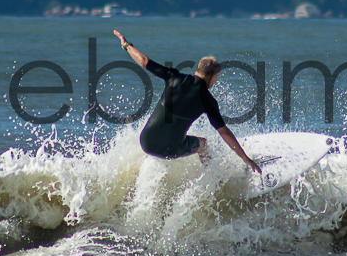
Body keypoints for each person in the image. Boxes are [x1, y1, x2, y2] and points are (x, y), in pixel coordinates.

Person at [112, 29, 262, 175]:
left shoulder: (174, 77)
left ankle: (145, 167)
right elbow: (224, 132)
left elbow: (144, 61)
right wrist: (245, 158)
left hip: (146, 142)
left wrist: (126, 45)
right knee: (203, 144)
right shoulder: (208, 100)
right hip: (171, 150)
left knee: (159, 140)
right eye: (216, 77)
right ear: (211, 76)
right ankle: (215, 178)